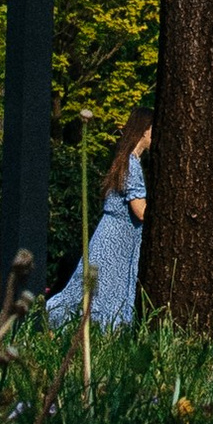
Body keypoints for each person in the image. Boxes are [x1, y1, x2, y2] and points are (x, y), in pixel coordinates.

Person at [45, 110, 154, 331]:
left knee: (100, 290)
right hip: (116, 241)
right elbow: (140, 211)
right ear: (143, 130)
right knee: (103, 290)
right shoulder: (131, 165)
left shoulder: (126, 161)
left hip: (113, 236)